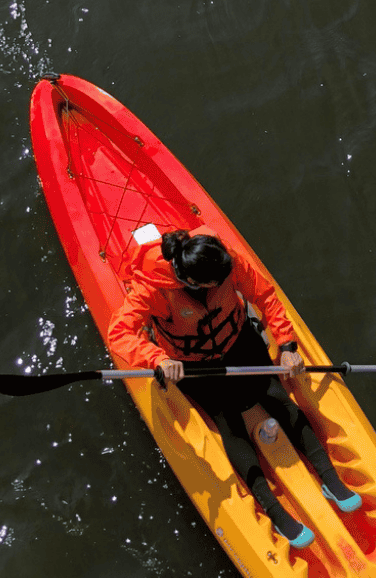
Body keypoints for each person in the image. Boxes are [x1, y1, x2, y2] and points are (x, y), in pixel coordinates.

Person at [107, 226, 361, 547]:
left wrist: (286, 345)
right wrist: (155, 358)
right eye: (220, 281)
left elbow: (265, 295)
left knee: (278, 397)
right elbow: (119, 334)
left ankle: (330, 479)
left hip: (240, 342)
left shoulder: (221, 261)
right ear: (198, 282)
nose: (229, 279)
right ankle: (275, 512)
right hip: (196, 366)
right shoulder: (151, 289)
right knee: (230, 423)